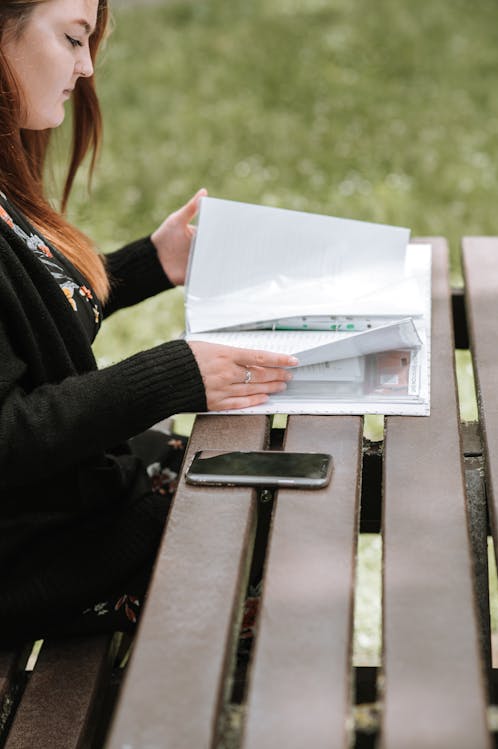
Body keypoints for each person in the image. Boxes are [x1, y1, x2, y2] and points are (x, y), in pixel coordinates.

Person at [0, 0, 296, 638]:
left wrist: (148, 264)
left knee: (271, 470)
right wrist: (174, 373)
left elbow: (26, 328)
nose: (85, 68)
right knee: (260, 515)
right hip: (28, 559)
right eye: (74, 39)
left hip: (54, 502)